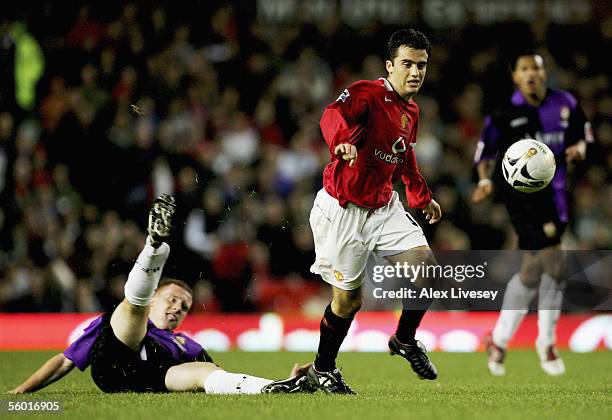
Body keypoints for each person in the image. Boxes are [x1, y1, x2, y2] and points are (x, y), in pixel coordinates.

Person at [9, 194, 315, 395]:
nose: (178, 309)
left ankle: (277, 389)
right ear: (156, 297)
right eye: (172, 300)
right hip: (115, 364)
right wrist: (21, 392)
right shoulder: (115, 322)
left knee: (204, 372)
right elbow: (65, 361)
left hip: (152, 380)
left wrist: (275, 380)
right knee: (131, 311)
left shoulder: (187, 344)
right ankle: (153, 249)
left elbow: (220, 376)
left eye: (184, 307)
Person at [305, 28, 442, 394]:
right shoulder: (367, 93)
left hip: (384, 207)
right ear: (390, 65)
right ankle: (323, 368)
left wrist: (420, 195)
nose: (415, 73)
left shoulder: (411, 109)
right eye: (408, 64)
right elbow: (332, 115)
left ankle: (405, 340)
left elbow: (404, 154)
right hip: (344, 210)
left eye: (422, 66)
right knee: (348, 302)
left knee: (426, 272)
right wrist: (341, 144)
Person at [472, 51, 593, 376]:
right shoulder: (504, 114)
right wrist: (484, 180)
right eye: (524, 69)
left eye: (536, 69)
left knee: (531, 270)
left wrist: (579, 149)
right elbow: (484, 151)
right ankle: (547, 343)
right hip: (523, 198)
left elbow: (584, 135)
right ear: (516, 76)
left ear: (544, 73)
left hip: (558, 196)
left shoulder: (565, 103)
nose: (531, 75)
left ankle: (497, 340)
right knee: (556, 262)